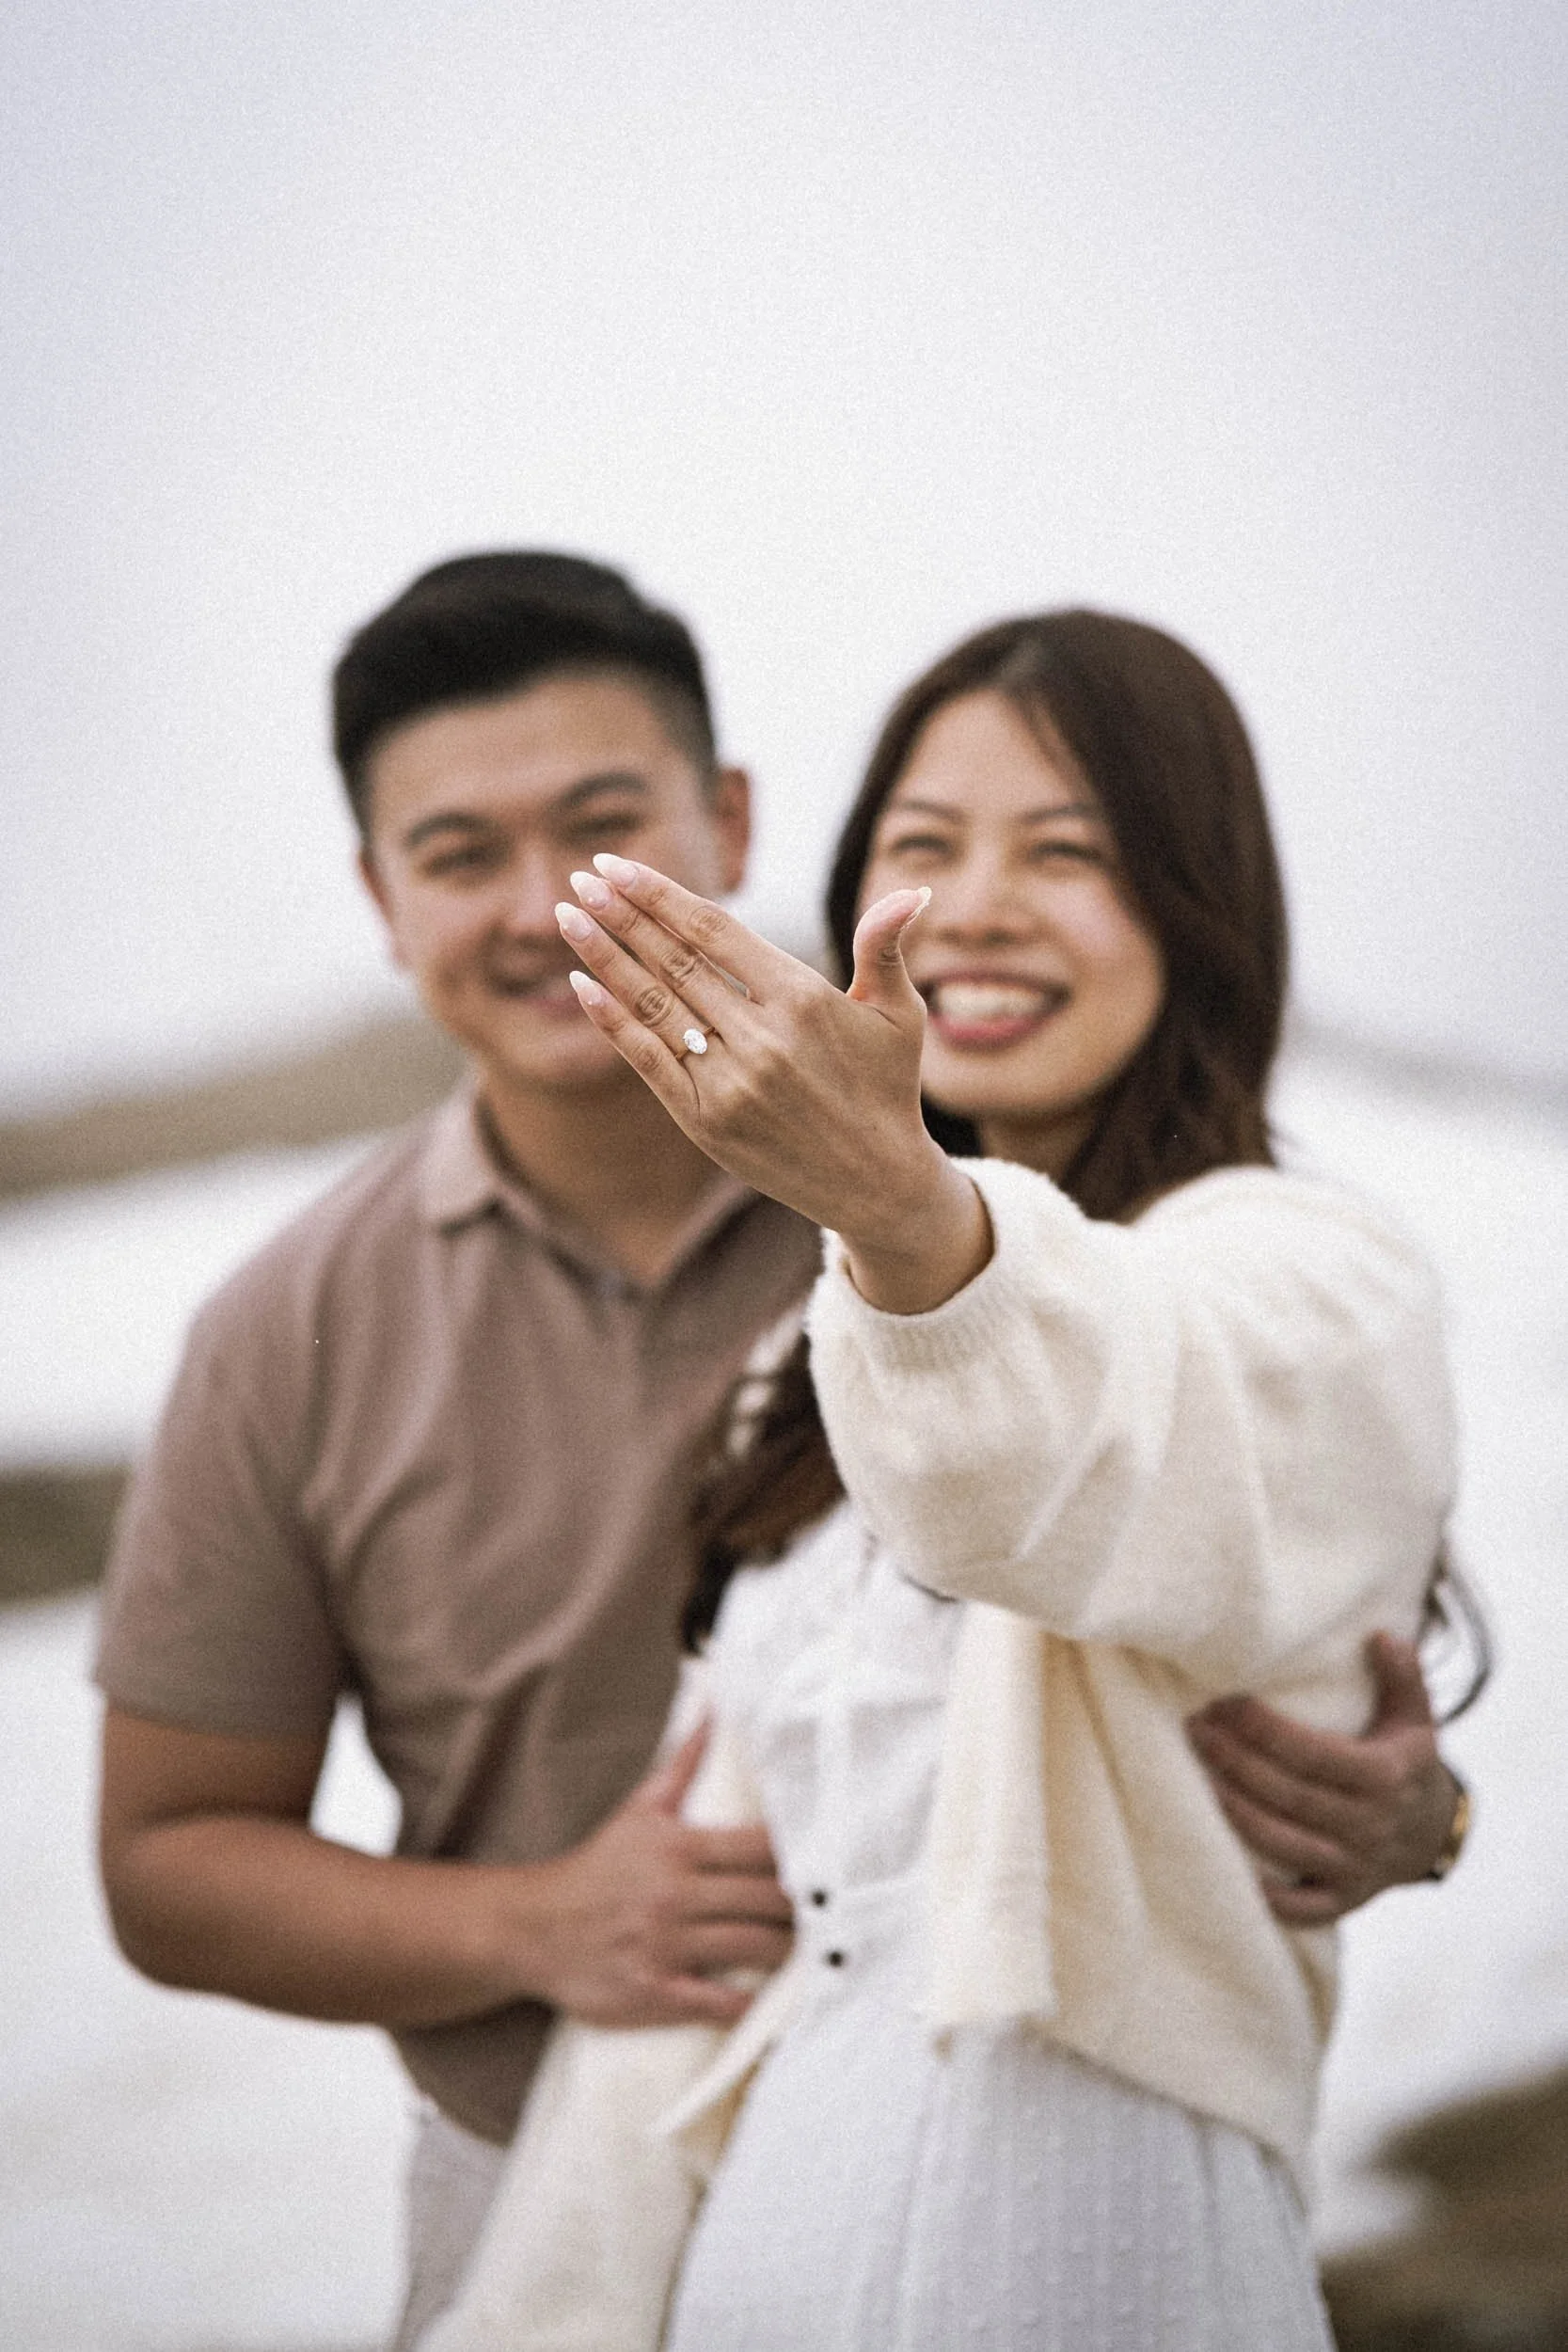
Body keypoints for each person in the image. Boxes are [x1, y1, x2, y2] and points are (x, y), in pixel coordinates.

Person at [93, 566, 1466, 2347]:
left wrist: (1417, 1812)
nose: (535, 911)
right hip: (558, 2172)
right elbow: (168, 1856)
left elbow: (1173, 1442)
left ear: (729, 820)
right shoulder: (297, 1323)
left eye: (598, 830)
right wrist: (536, 1926)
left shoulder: (941, 1195)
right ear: (378, 896)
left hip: (1006, 2196)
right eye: (455, 857)